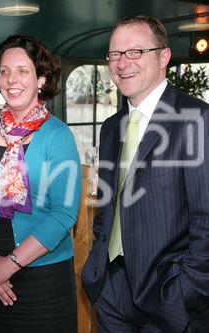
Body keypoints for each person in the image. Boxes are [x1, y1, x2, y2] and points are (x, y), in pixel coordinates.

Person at [81, 15, 209, 332]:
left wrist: (184, 292)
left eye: (135, 51)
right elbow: (108, 207)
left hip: (169, 299)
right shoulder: (111, 128)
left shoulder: (197, 119)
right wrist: (99, 273)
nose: (123, 63)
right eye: (115, 54)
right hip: (111, 293)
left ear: (163, 56)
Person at [0, 34, 82, 332]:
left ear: (41, 79)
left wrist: (7, 265)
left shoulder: (58, 136)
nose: (12, 79)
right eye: (5, 71)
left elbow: (63, 213)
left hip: (43, 283)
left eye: (23, 70)